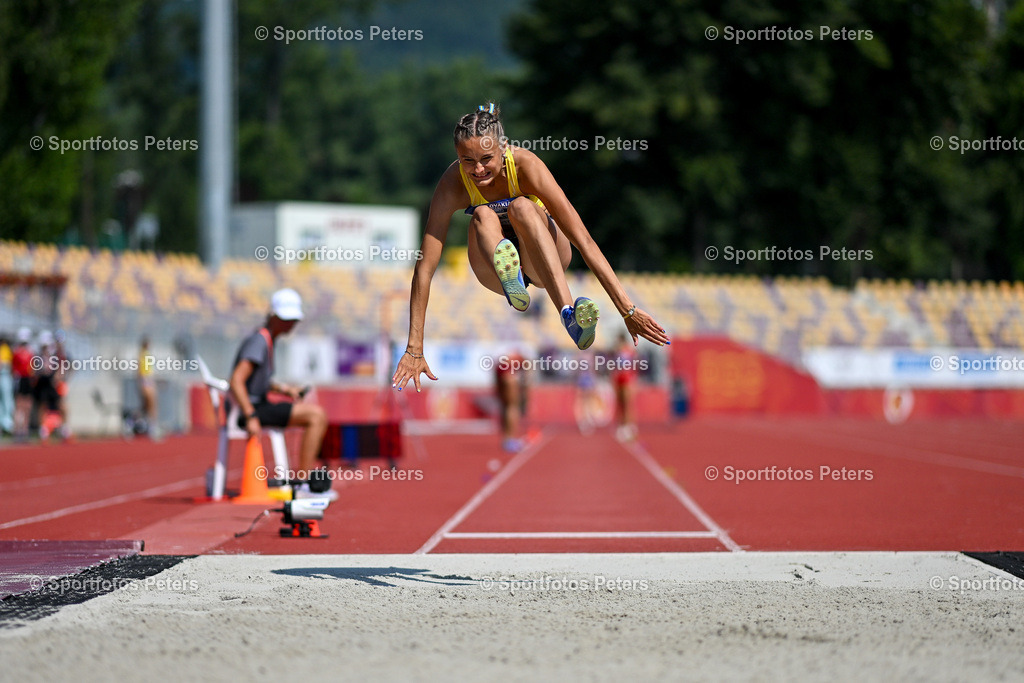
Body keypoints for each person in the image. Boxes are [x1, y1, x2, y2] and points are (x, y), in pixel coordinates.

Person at [391, 102, 670, 393]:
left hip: (543, 257)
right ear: (457, 156)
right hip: (493, 270)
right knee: (482, 214)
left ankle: (568, 314)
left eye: (486, 158)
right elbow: (425, 268)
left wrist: (627, 310)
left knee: (522, 207)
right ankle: (510, 277)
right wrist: (414, 349)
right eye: (467, 160)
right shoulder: (452, 182)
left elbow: (583, 240)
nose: (478, 169)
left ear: (504, 147)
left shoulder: (526, 166)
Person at [228, 288, 327, 487]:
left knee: (316, 414)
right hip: (250, 410)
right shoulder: (259, 341)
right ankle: (303, 482)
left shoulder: (266, 339)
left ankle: (302, 480)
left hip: (256, 406)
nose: (291, 324)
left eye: (293, 320)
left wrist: (285, 390)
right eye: (286, 319)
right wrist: (251, 416)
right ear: (273, 316)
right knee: (316, 416)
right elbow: (237, 380)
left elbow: (256, 380)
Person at [611, 333, 639, 441]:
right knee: (620, 403)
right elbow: (614, 365)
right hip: (619, 378)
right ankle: (622, 425)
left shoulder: (629, 350)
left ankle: (628, 425)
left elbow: (634, 365)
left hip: (627, 378)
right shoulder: (617, 351)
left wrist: (633, 379)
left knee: (627, 404)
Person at [11, 328, 34, 440]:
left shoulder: (30, 352)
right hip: (20, 379)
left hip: (27, 379)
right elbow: (13, 368)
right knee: (19, 406)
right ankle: (18, 430)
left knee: (27, 406)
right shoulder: (17, 352)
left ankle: (25, 429)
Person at [137, 336, 159, 438]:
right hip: (146, 382)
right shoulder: (144, 355)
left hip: (146, 381)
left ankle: (146, 426)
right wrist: (148, 383)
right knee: (151, 406)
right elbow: (143, 372)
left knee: (146, 407)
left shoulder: (143, 354)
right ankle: (151, 428)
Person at [0, 334, 13, 436]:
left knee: (6, 401)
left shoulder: (4, 349)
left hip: (4, 376)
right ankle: (5, 424)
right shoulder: (5, 349)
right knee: (6, 401)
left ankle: (6, 424)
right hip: (4, 376)